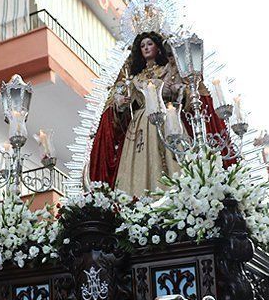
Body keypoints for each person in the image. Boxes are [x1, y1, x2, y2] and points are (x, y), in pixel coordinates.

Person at [88, 32, 231, 197]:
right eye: (142, 46)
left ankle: (179, 194)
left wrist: (179, 90)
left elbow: (186, 94)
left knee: (174, 155)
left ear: (157, 47)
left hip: (168, 118)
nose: (146, 48)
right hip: (141, 124)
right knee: (138, 162)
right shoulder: (134, 78)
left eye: (149, 44)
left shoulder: (169, 69)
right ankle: (137, 198)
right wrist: (120, 104)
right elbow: (121, 106)